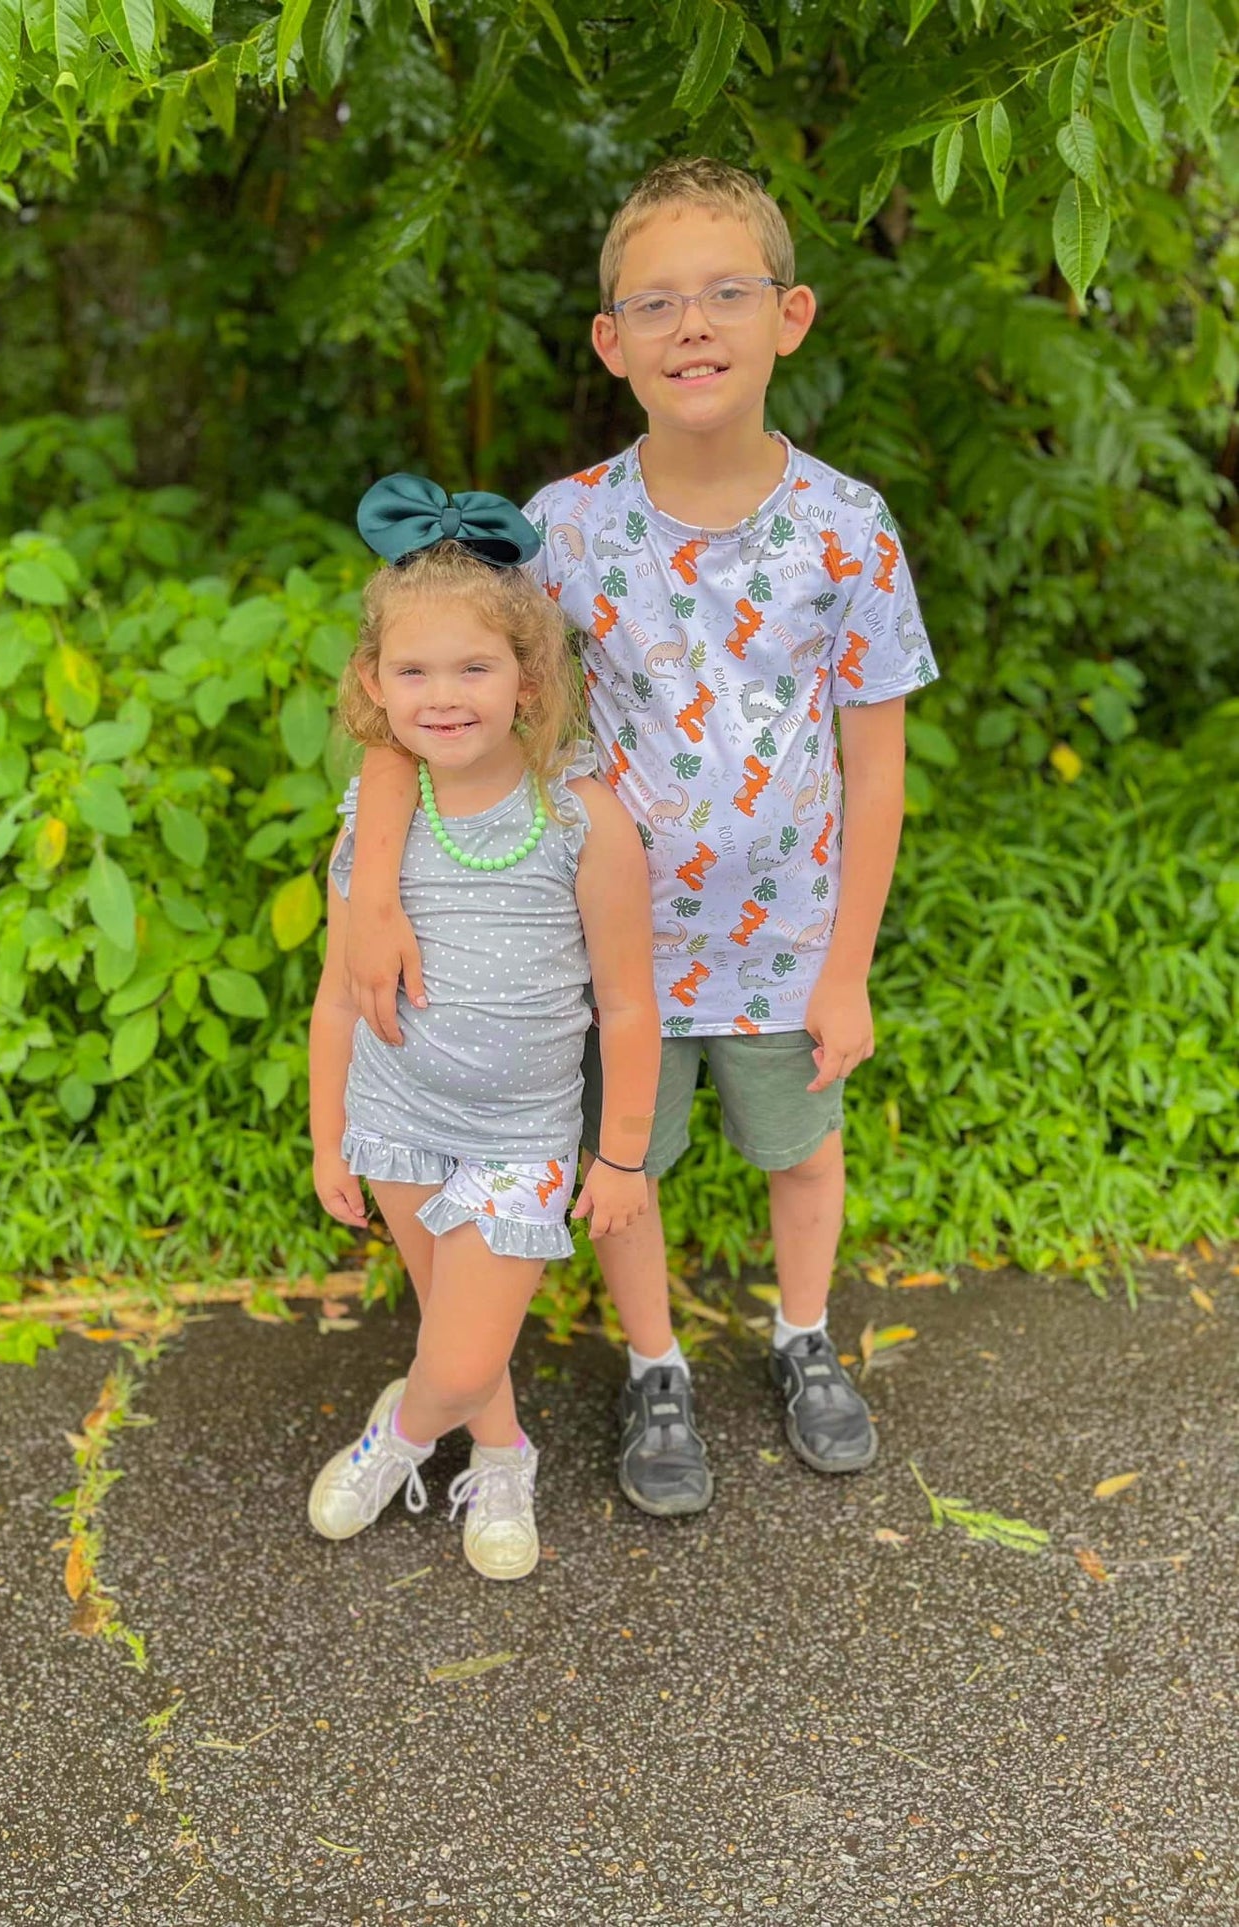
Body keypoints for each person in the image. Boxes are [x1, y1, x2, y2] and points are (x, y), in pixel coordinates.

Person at [344, 158, 940, 1515]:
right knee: (628, 1164)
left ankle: (802, 1333)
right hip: (609, 947)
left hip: (785, 938)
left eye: (726, 292)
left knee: (798, 1145)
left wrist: (846, 963)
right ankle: (656, 1361)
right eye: (656, 301)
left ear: (788, 316)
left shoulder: (846, 529)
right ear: (612, 343)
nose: (693, 324)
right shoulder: (562, 528)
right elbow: (429, 701)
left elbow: (876, 765)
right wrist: (373, 893)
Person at [307, 474, 659, 1580]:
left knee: (457, 1346)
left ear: (526, 678)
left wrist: (620, 1153)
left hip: (517, 1133)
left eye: (474, 666)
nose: (442, 694)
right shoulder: (374, 817)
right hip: (397, 1116)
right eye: (413, 670)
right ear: (374, 681)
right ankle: (498, 1455)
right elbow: (333, 993)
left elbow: (626, 1001)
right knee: (457, 1322)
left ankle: (399, 1430)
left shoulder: (578, 818)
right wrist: (328, 1135)